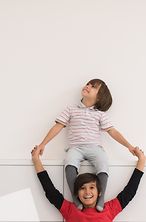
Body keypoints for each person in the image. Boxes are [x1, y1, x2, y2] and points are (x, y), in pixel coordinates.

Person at [37, 79, 136, 211]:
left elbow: (113, 132)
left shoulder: (100, 114)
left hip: (94, 147)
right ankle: (76, 198)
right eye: (88, 84)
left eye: (93, 86)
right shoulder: (71, 109)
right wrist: (43, 144)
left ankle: (100, 198)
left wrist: (129, 146)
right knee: (69, 163)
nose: (88, 86)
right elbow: (58, 126)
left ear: (99, 96)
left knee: (103, 163)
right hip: (75, 148)